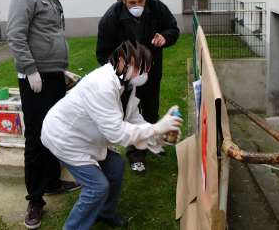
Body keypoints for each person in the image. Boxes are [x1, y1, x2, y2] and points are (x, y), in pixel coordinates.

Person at [41, 41, 183, 230]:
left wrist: (160, 135)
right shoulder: (102, 84)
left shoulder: (126, 84)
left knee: (115, 167)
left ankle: (104, 213)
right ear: (122, 61)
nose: (144, 75)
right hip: (65, 137)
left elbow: (133, 117)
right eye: (140, 68)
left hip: (86, 135)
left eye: (146, 69)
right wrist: (157, 128)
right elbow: (118, 134)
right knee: (96, 188)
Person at [7, 0, 80, 229]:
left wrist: (61, 71)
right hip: (35, 77)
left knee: (55, 129)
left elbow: (49, 34)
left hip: (53, 75)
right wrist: (30, 69)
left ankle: (52, 181)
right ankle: (35, 200)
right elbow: (15, 34)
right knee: (36, 137)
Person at [96, 0, 180, 173]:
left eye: (141, 1)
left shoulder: (156, 7)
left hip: (151, 72)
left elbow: (173, 29)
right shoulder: (112, 17)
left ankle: (151, 142)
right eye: (132, 3)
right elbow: (102, 52)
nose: (137, 6)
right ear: (123, 0)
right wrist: (123, 72)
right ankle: (136, 156)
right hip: (125, 78)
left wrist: (165, 37)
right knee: (130, 115)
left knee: (151, 110)